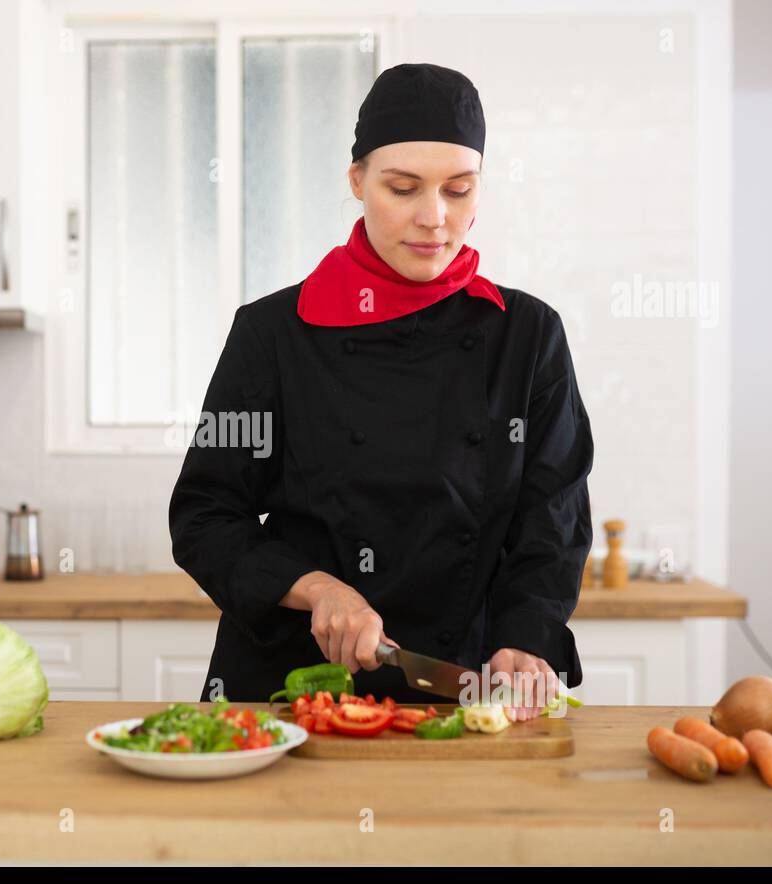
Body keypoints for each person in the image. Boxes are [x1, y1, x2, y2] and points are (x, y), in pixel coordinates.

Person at [169, 63, 594, 721]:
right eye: (404, 188)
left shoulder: (527, 335)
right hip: (292, 688)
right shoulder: (274, 333)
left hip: (460, 690)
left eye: (458, 190)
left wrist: (527, 639)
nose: (434, 217)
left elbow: (553, 521)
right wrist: (315, 590)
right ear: (357, 181)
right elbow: (204, 517)